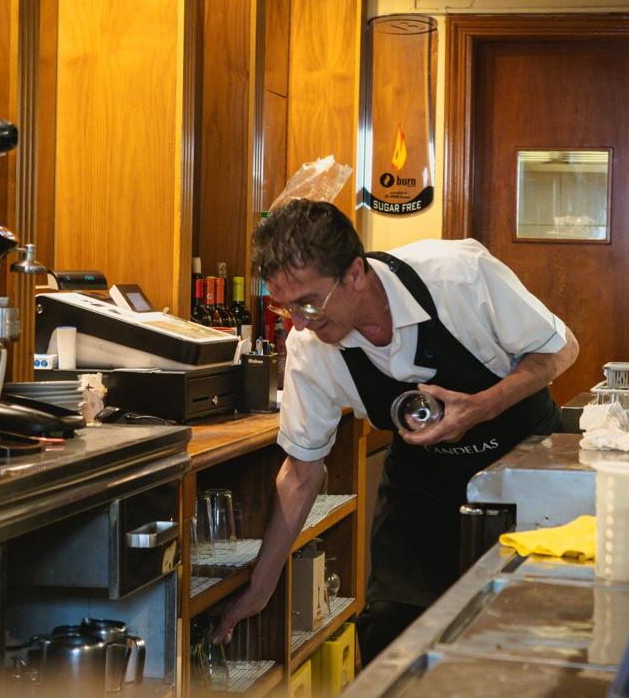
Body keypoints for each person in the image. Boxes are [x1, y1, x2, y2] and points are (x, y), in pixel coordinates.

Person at [213, 199, 579, 661]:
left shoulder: (458, 276)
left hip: (520, 475)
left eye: (308, 303)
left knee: (520, 645)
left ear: (354, 273)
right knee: (393, 633)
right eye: (286, 309)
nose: (300, 323)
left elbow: (561, 349)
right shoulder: (311, 349)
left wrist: (481, 407)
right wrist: (261, 587)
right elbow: (301, 472)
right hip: (422, 491)